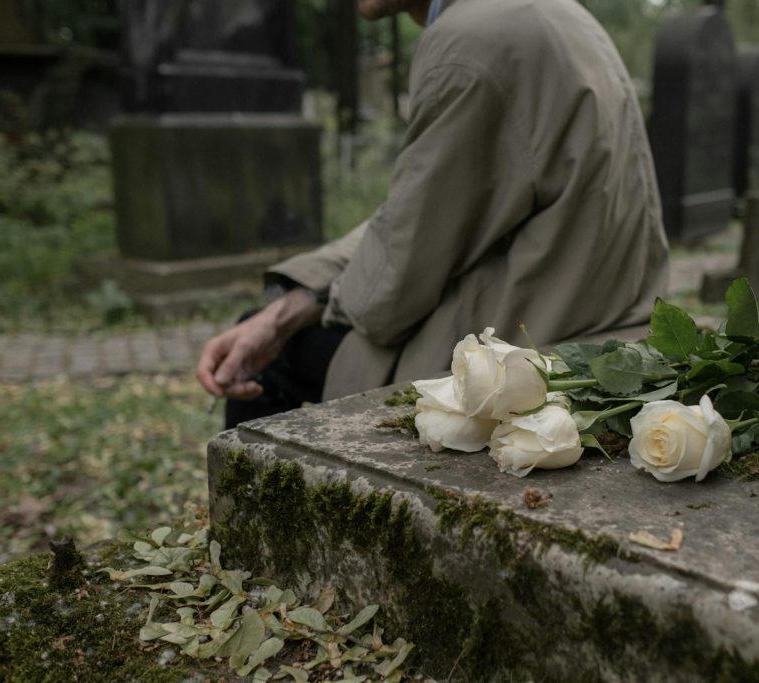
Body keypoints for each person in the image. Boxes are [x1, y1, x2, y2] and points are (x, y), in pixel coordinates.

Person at [197, 0, 671, 428]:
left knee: (266, 361)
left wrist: (284, 315)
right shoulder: (551, 13)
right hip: (591, 321)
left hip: (527, 347)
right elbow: (417, 218)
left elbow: (387, 294)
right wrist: (291, 302)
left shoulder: (469, 42)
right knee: (269, 324)